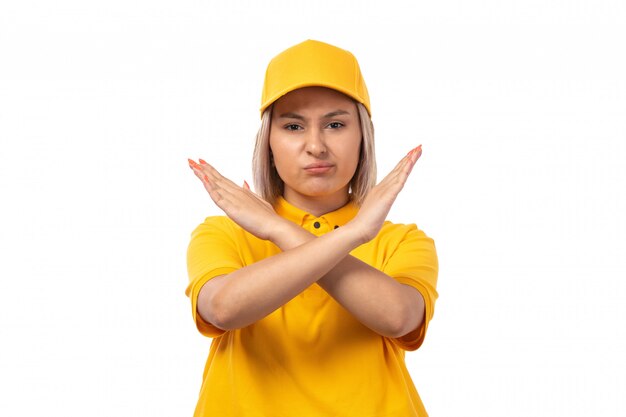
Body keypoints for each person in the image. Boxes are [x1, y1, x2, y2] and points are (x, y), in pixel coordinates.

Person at [185, 39, 439, 417]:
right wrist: (350, 235)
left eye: (335, 124)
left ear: (362, 138)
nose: (316, 146)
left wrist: (278, 229)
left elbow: (399, 317)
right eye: (293, 126)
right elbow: (223, 309)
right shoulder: (226, 232)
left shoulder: (401, 240)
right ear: (268, 141)